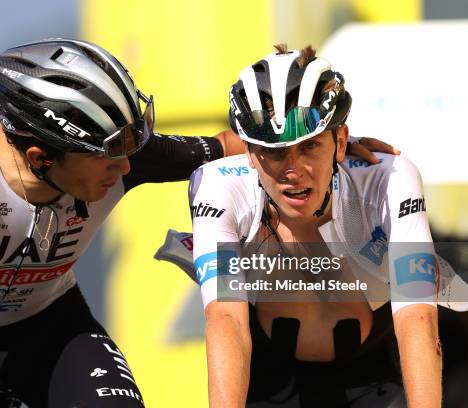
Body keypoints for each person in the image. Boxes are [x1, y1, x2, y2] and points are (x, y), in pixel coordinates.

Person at [0, 38, 393, 408]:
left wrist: (339, 147)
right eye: (110, 157)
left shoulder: (128, 153)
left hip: (51, 330)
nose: (127, 168)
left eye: (131, 149)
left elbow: (248, 144)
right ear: (40, 155)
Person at [188, 45, 442, 407]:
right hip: (270, 379)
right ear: (248, 152)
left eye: (309, 146)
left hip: (375, 373)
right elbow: (226, 318)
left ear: (340, 142)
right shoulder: (218, 186)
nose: (293, 170)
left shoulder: (390, 178)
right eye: (274, 151)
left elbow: (416, 315)